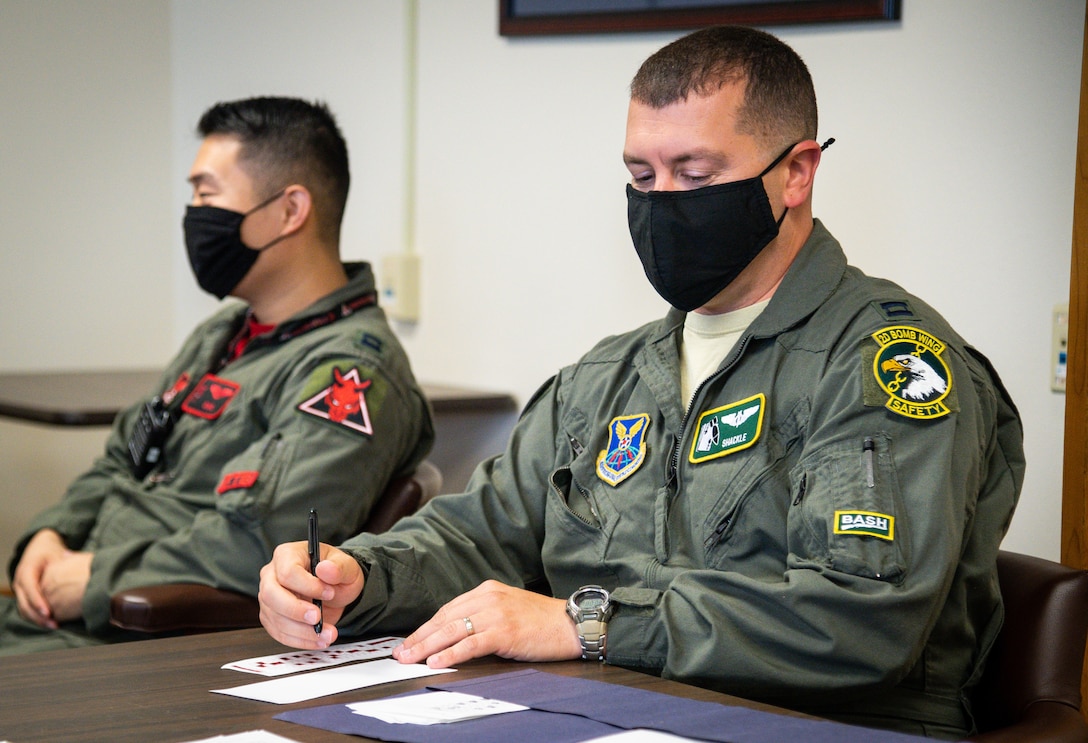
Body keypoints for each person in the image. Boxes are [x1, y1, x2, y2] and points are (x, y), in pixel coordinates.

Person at [258, 28, 1023, 740]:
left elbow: (860, 621)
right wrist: (355, 577)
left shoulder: (886, 364)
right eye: (640, 175)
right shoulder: (609, 376)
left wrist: (587, 624)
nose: (661, 203)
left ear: (796, 172)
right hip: (609, 712)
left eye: (695, 173)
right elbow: (481, 531)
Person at [1, 97, 434, 655]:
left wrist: (94, 580)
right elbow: (125, 458)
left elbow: (258, 544)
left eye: (207, 194)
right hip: (58, 615)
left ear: (289, 210)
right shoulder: (227, 332)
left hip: (130, 639)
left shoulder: (350, 378)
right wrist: (52, 534)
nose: (194, 214)